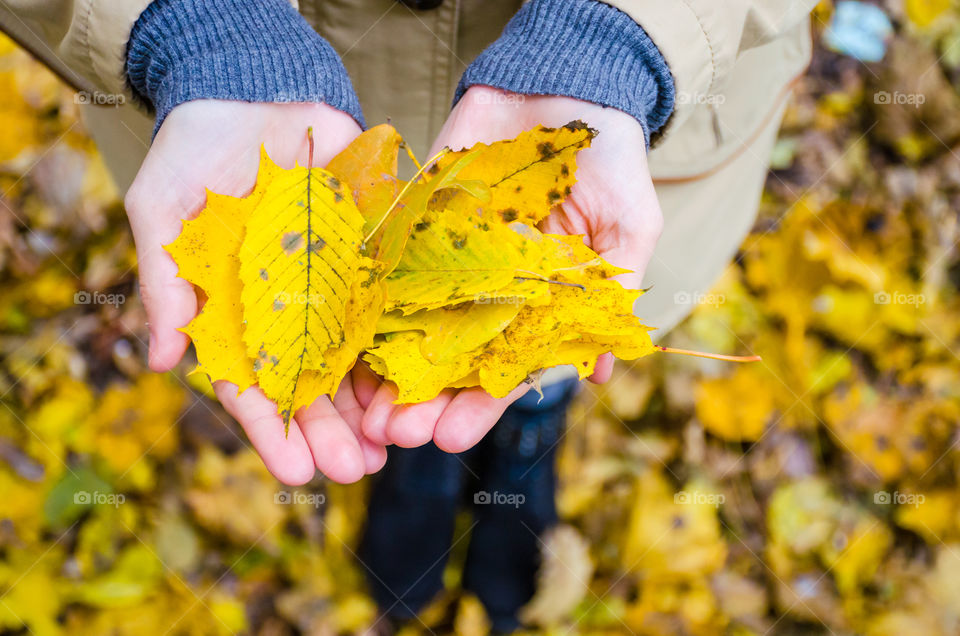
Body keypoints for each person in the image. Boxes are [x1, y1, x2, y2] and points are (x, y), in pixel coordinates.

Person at [0, 0, 817, 630]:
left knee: (556, 325)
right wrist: (210, 26)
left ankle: (525, 442)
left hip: (626, 114)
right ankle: (415, 462)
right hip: (252, 123)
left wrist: (609, 38)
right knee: (408, 377)